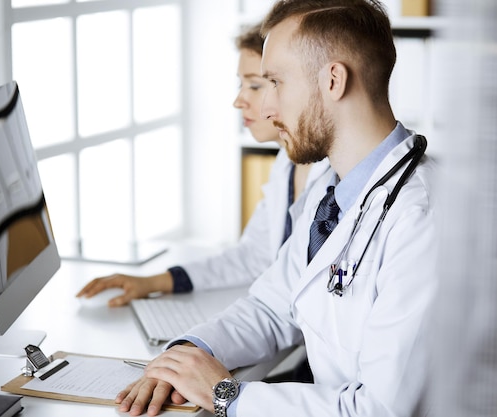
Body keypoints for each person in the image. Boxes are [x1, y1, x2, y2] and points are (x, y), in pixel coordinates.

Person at [116, 1, 438, 416]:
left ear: (333, 80)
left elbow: (376, 410)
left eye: (275, 81)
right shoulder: (334, 191)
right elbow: (272, 306)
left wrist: (225, 395)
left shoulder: (420, 218)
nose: (267, 107)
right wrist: (187, 353)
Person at [76, 23, 330, 306]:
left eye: (255, 85)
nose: (239, 101)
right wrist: (153, 282)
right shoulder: (287, 161)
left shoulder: (335, 176)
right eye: (241, 85)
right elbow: (253, 256)